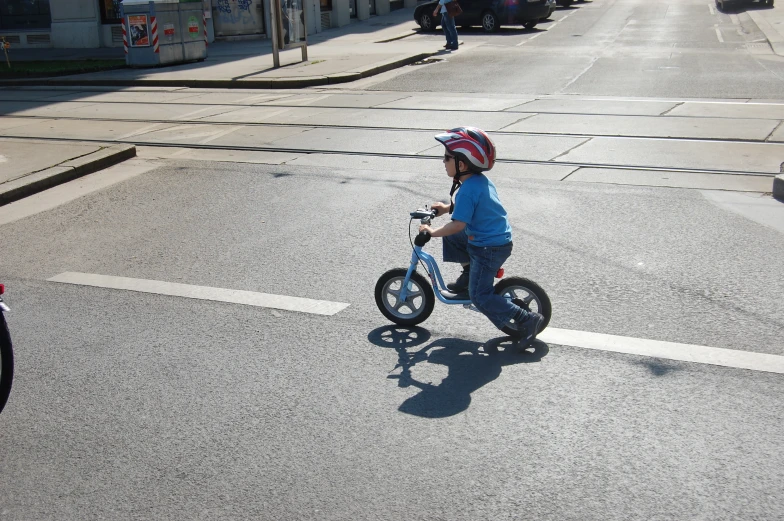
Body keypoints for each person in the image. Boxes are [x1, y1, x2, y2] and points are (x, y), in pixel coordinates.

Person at [418, 127, 545, 343]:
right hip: (495, 240)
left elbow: (458, 225)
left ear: (462, 163)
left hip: (488, 248)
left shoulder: (467, 189)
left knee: (479, 296)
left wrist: (432, 231)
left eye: (447, 157)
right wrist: (447, 208)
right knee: (453, 236)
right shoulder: (479, 182)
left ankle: (526, 319)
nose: (443, 161)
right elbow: (473, 207)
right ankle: (469, 275)